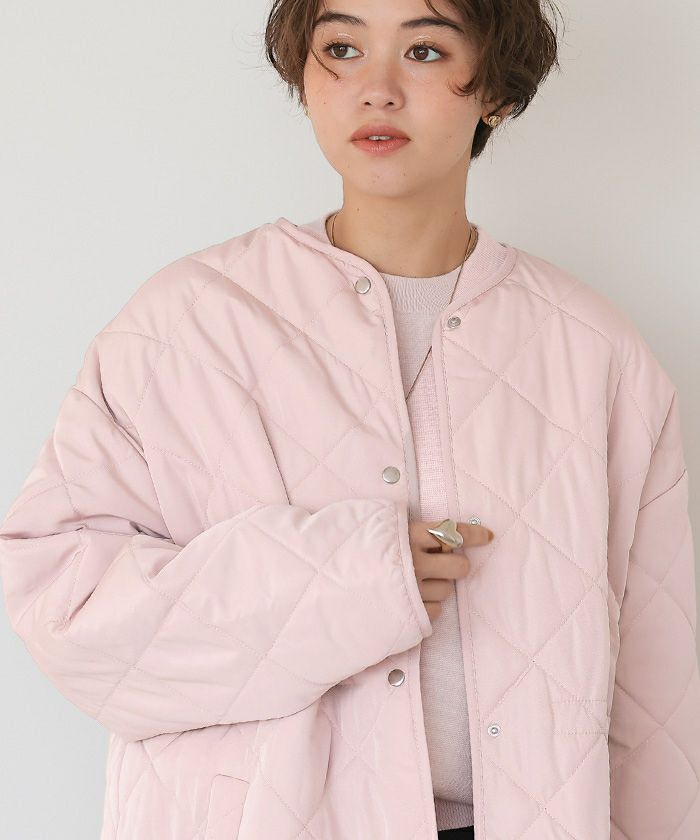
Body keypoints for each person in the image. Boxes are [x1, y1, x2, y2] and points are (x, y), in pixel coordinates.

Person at [1, 1, 698, 839]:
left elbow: (659, 709)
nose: (377, 88)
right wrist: (346, 579)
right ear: (304, 75)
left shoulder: (597, 354)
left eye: (426, 51)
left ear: (497, 91)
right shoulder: (185, 326)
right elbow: (68, 616)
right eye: (341, 47)